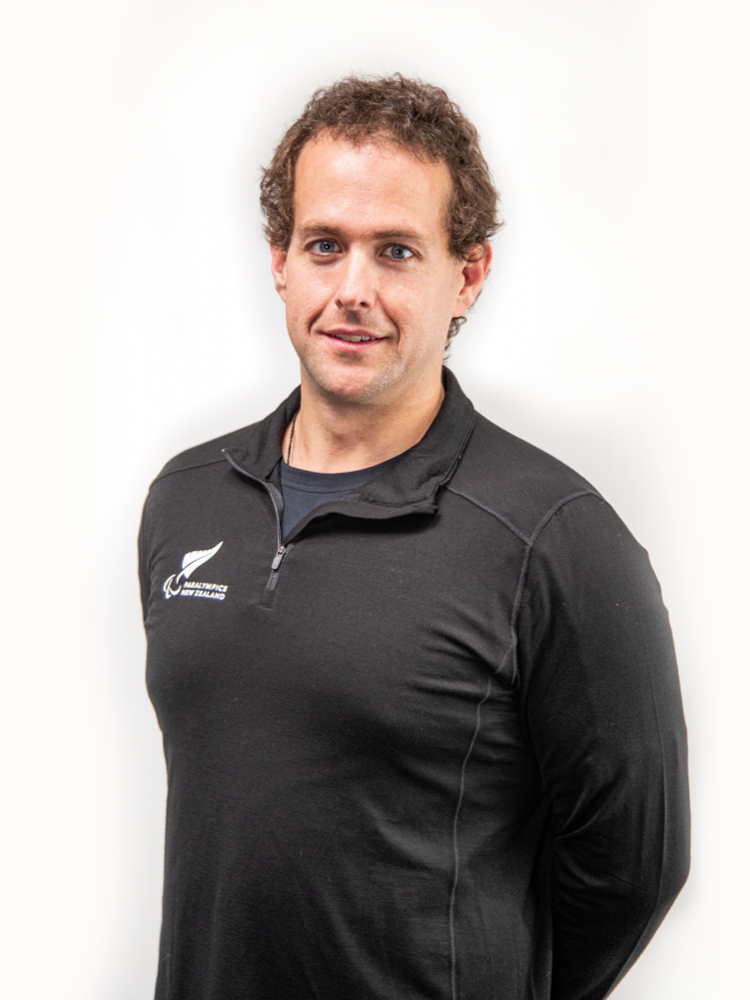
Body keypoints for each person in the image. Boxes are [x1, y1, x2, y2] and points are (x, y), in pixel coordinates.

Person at [139, 74, 689, 1000]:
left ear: (466, 273)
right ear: (280, 258)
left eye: (395, 251)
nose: (353, 289)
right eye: (325, 246)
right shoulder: (189, 499)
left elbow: (633, 870)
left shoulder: (555, 539)